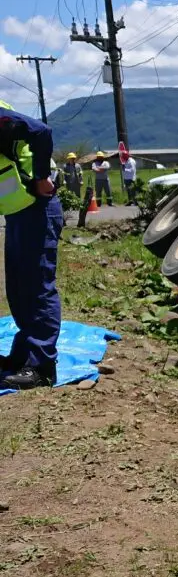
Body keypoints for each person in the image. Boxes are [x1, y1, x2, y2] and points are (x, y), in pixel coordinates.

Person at [0, 101, 62, 390]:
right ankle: (22, 356)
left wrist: (40, 178)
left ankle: (42, 367)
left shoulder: (1, 117)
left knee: (37, 287)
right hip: (17, 213)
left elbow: (41, 132)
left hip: (38, 208)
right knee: (18, 287)